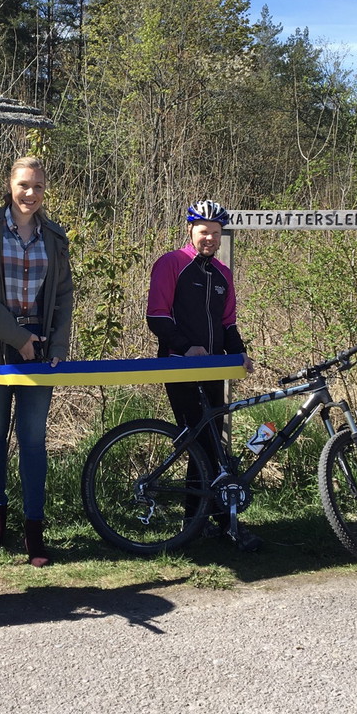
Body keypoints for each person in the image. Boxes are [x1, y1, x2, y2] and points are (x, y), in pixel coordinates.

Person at [0, 156, 73, 567]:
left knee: (33, 438)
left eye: (38, 186)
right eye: (24, 185)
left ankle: (33, 528)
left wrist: (57, 345)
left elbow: (64, 296)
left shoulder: (54, 237)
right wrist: (17, 337)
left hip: (39, 351)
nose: (31, 193)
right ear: (10, 185)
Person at [146, 199, 258, 551]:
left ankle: (200, 520)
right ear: (190, 230)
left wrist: (239, 352)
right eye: (204, 232)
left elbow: (227, 322)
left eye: (215, 233)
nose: (209, 238)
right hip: (178, 364)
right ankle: (213, 520)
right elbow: (157, 315)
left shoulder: (223, 273)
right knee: (199, 441)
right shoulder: (171, 263)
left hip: (213, 368)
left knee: (211, 443)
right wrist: (186, 347)